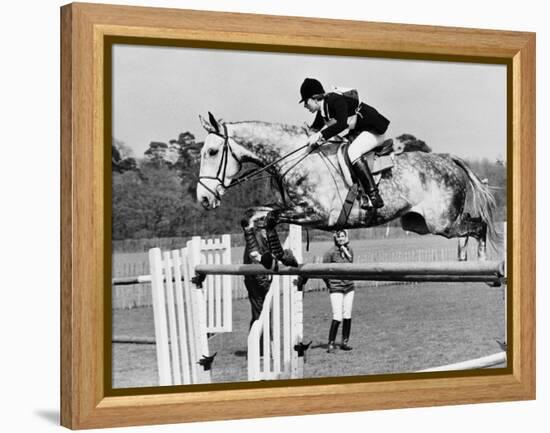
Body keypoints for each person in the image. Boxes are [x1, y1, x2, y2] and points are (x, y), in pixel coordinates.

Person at [299, 77, 390, 209]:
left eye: (306, 102)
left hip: (374, 130)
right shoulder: (323, 110)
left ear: (314, 98)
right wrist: (310, 132)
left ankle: (374, 195)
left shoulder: (335, 100)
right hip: (359, 132)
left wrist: (320, 135)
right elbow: (316, 128)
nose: (305, 106)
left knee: (353, 151)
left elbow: (342, 124)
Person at [322, 230, 356, 353]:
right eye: (339, 236)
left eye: (343, 236)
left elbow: (351, 267)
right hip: (336, 287)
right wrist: (330, 284)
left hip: (349, 287)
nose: (341, 239)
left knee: (347, 314)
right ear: (335, 238)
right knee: (337, 315)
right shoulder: (330, 253)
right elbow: (323, 272)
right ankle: (331, 343)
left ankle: (344, 342)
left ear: (346, 237)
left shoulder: (350, 251)